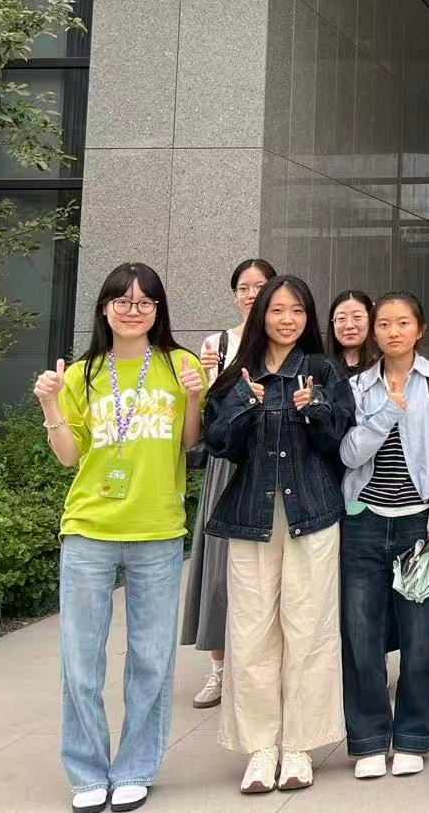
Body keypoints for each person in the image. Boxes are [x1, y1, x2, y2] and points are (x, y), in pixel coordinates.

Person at [36, 263, 204, 813]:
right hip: (89, 528)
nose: (134, 311)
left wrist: (195, 398)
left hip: (157, 529)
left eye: (145, 302)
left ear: (159, 310)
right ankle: (87, 771)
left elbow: (190, 443)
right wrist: (50, 405)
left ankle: (135, 767)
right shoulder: (83, 374)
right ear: (104, 308)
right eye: (123, 301)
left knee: (151, 659)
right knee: (80, 661)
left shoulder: (179, 364)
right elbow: (69, 457)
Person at [203, 275, 353, 794]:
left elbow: (341, 440)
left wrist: (316, 410)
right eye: (277, 310)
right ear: (261, 314)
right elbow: (217, 444)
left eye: (297, 311)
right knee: (251, 633)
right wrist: (243, 403)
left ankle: (300, 746)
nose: (287, 320)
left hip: (312, 513)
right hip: (252, 515)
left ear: (308, 318)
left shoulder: (323, 369)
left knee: (309, 629)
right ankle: (261, 747)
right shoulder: (238, 374)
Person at [338, 292, 429, 780]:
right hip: (364, 519)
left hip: (418, 525)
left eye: (403, 322)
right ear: (374, 331)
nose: (393, 331)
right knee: (361, 634)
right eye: (384, 323)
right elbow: (349, 453)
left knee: (419, 635)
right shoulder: (356, 386)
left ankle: (412, 736)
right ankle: (369, 738)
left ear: (420, 329)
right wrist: (386, 413)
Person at [180, 257, 274, 710]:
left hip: (274, 461)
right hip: (228, 463)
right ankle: (219, 668)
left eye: (260, 286)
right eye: (244, 287)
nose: (251, 294)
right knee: (219, 567)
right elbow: (206, 414)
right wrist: (208, 379)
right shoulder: (217, 344)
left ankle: (264, 668)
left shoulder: (286, 338)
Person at [327, 289, 378, 375]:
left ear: (371, 319)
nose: (349, 326)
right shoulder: (319, 364)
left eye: (357, 317)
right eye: (341, 318)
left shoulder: (382, 364)